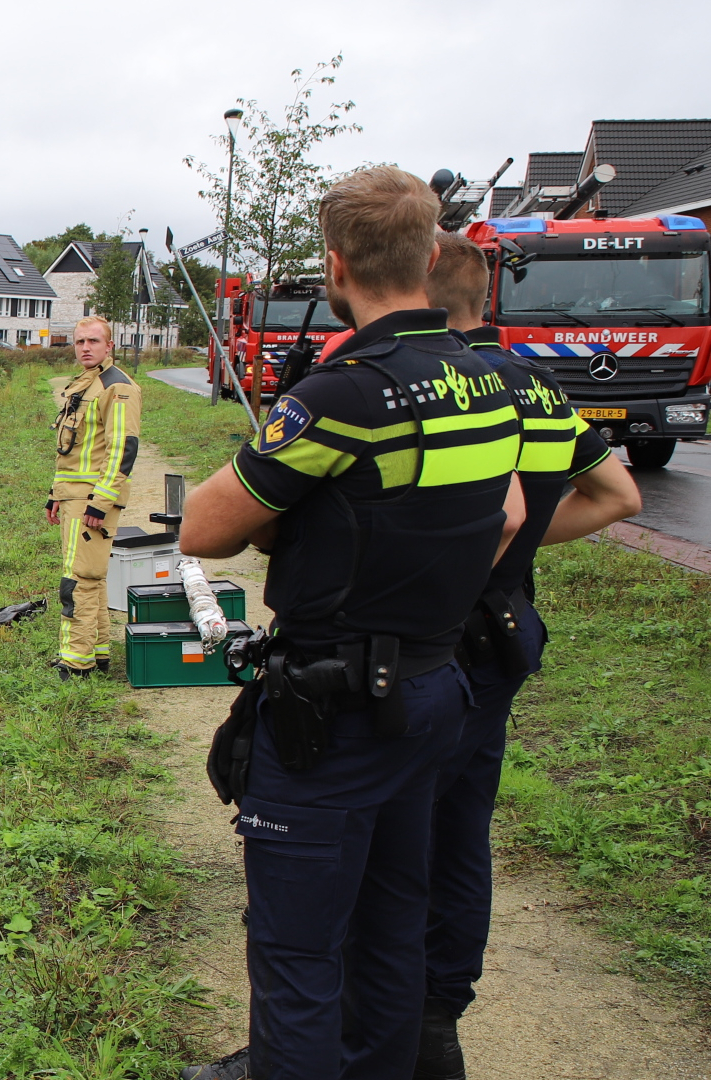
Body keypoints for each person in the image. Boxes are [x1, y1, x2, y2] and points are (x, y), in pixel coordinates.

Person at [176, 167, 527, 1080]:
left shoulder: (346, 395)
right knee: (389, 931)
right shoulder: (488, 380)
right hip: (434, 689)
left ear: (336, 266)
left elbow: (205, 527)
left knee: (296, 960)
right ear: (429, 253)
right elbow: (512, 517)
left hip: (333, 716)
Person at [412, 233, 641, 1080]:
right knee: (464, 834)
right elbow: (619, 495)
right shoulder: (539, 388)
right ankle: (438, 1022)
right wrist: (517, 555)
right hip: (505, 634)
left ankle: (357, 1032)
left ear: (419, 286)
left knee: (387, 838)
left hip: (433, 644)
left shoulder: (436, 385)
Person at [46, 315, 141, 678]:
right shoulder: (87, 384)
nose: (85, 348)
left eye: (93, 342)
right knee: (92, 577)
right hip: (74, 495)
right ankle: (98, 653)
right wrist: (55, 495)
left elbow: (122, 450)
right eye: (80, 342)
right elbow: (73, 451)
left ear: (109, 346)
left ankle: (76, 660)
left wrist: (100, 503)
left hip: (91, 499)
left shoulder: (117, 388)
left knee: (78, 579)